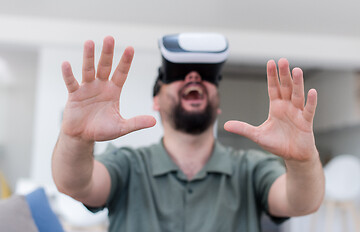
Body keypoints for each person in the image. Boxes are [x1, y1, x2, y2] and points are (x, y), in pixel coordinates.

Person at [52, 34, 325, 232]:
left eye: (207, 75)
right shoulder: (127, 165)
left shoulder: (250, 169)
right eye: (178, 73)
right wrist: (75, 138)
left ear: (217, 104)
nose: (194, 76)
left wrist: (303, 160)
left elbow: (301, 202)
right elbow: (75, 184)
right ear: (156, 100)